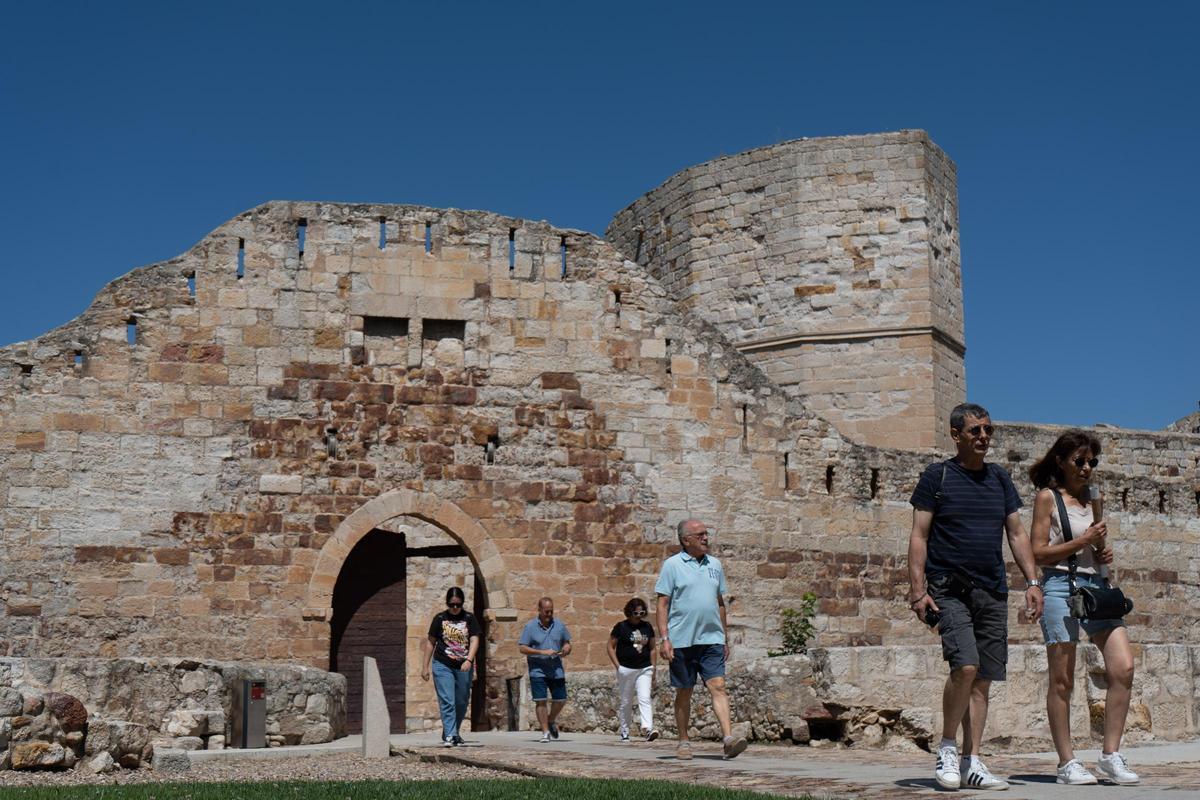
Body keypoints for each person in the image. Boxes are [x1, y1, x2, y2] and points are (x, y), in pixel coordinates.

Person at [907, 403, 1045, 791]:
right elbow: (919, 535)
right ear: (956, 435)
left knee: (982, 679)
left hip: (992, 589)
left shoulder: (999, 479)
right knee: (964, 667)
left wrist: (1032, 581)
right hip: (949, 588)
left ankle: (973, 761)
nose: (984, 437)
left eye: (988, 430)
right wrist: (918, 591)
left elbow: (1017, 534)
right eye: (975, 431)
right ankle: (948, 747)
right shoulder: (938, 478)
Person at [1029, 429, 1139, 785]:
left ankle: (1110, 755)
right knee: (1062, 679)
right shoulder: (1047, 498)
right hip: (1061, 586)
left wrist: (1102, 552)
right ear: (1061, 461)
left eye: (1092, 461)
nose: (1087, 467)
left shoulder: (1095, 498)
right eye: (1079, 461)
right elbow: (1038, 552)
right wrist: (1083, 541)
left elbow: (1098, 546)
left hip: (1096, 588)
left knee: (1123, 667)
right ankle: (1066, 762)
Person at [656, 518, 747, 760]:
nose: (706, 538)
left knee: (718, 686)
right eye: (700, 535)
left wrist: (724, 637)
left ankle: (728, 739)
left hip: (711, 638)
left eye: (707, 533)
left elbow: (719, 602)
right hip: (682, 640)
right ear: (686, 540)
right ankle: (683, 741)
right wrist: (664, 638)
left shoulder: (715, 564)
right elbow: (662, 604)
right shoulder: (672, 565)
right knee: (684, 691)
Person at [420, 586, 481, 746]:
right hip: (442, 663)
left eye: (458, 604)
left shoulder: (469, 618)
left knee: (461, 701)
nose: (454, 608)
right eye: (451, 604)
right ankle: (451, 735)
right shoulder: (439, 619)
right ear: (447, 603)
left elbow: (475, 640)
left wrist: (469, 660)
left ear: (462, 603)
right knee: (447, 700)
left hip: (463, 665)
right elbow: (430, 643)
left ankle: (452, 731)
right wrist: (425, 667)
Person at [517, 596, 572, 743]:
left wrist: (566, 649)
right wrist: (541, 652)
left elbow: (567, 642)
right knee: (541, 701)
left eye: (551, 611)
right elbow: (522, 647)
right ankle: (545, 731)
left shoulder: (559, 625)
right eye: (546, 611)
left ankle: (551, 720)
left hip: (556, 668)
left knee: (560, 700)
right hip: (537, 669)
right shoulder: (530, 627)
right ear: (539, 610)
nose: (549, 614)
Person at [608, 597, 660, 742]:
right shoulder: (621, 627)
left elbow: (652, 648)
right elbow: (610, 647)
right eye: (636, 613)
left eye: (641, 613)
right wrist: (618, 667)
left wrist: (653, 668)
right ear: (629, 612)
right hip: (626, 668)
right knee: (626, 701)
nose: (638, 616)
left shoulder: (647, 627)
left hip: (644, 667)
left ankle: (648, 729)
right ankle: (625, 729)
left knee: (644, 698)